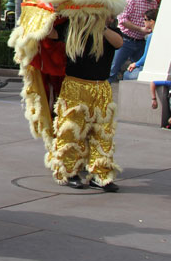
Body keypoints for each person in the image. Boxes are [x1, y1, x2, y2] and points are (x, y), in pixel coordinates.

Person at [50, 20, 123, 192]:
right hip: (75, 86)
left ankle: (100, 174)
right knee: (71, 131)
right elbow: (49, 33)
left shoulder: (109, 28)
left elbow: (119, 42)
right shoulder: (71, 25)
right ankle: (68, 172)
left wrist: (101, 26)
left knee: (103, 134)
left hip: (101, 88)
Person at [109, 0, 163, 81]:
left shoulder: (153, 3)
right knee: (113, 69)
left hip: (141, 41)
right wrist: (140, 29)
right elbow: (122, 20)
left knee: (141, 70)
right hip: (126, 39)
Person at [125, 9, 158, 79]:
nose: (143, 21)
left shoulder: (151, 36)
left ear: (151, 21)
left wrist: (135, 64)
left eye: (145, 19)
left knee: (127, 75)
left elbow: (146, 56)